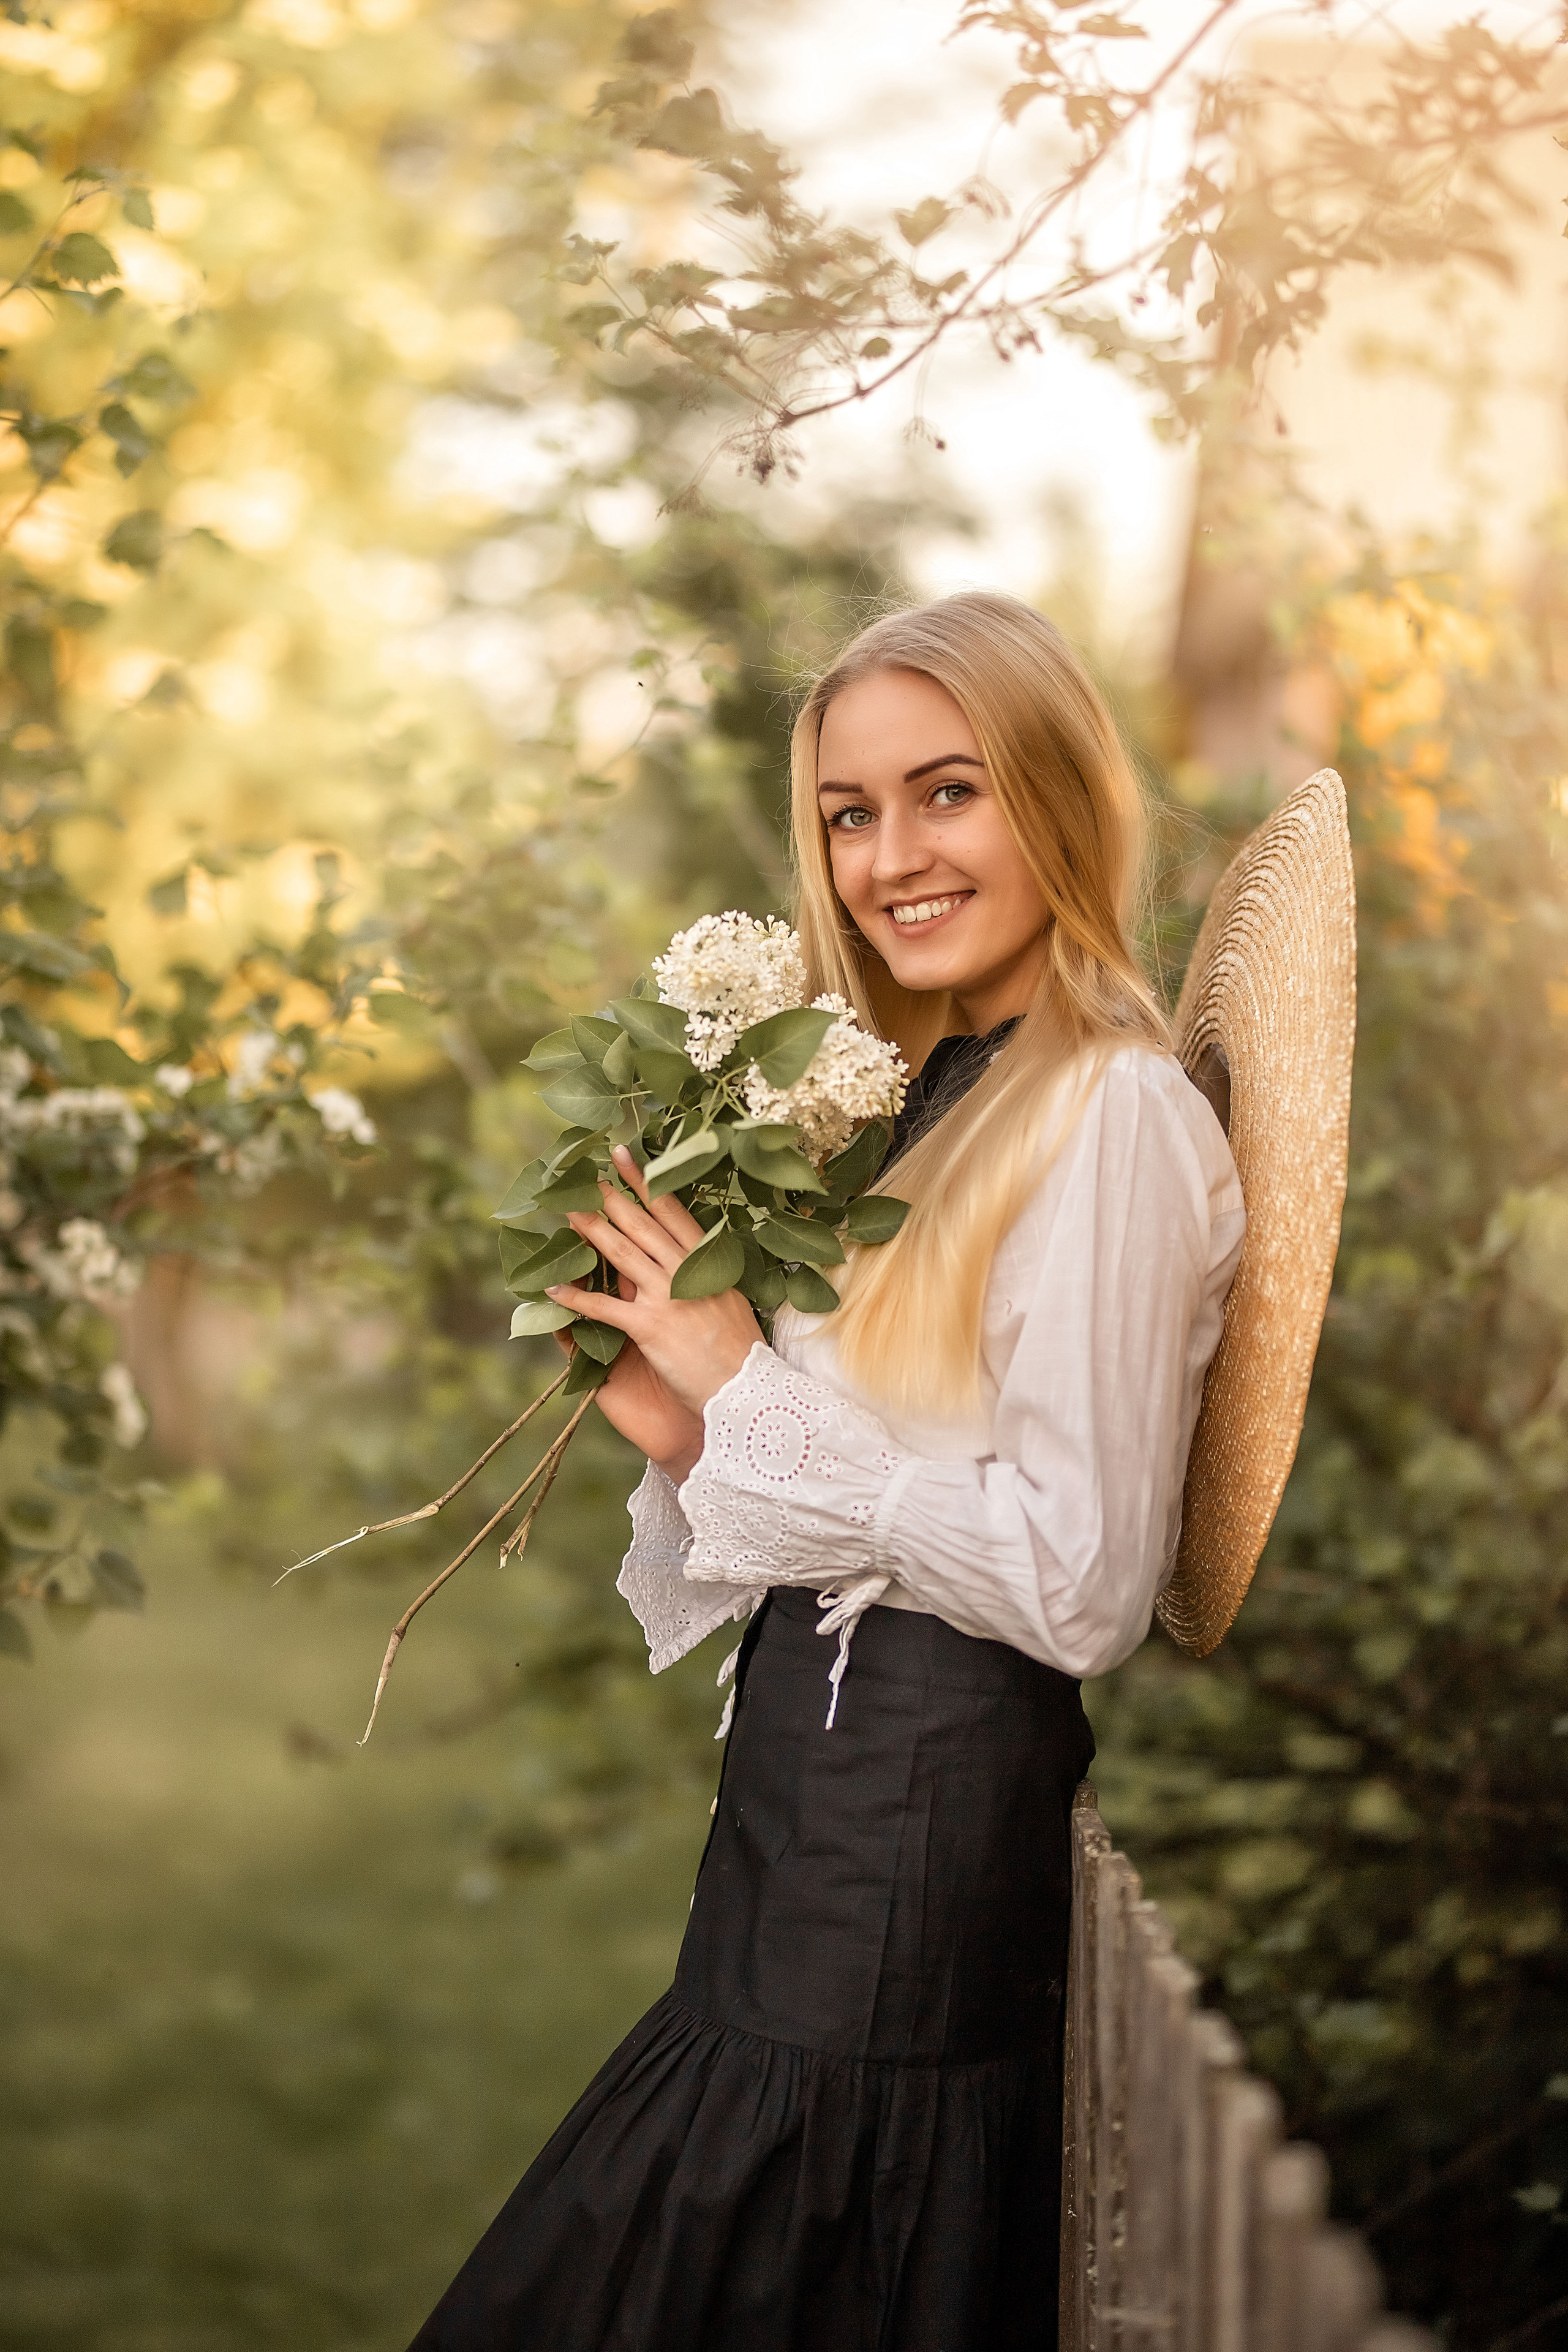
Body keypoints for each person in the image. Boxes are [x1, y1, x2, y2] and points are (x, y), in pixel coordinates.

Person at [409, 593, 1245, 2352]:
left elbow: (1081, 1582)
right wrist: (695, 1425)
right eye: (851, 814)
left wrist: (749, 1388)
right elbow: (900, 1473)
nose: (890, 858)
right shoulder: (932, 1093)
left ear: (1058, 792)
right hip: (793, 1886)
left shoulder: (1112, 1117)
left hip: (893, 1932)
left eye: (947, 792)